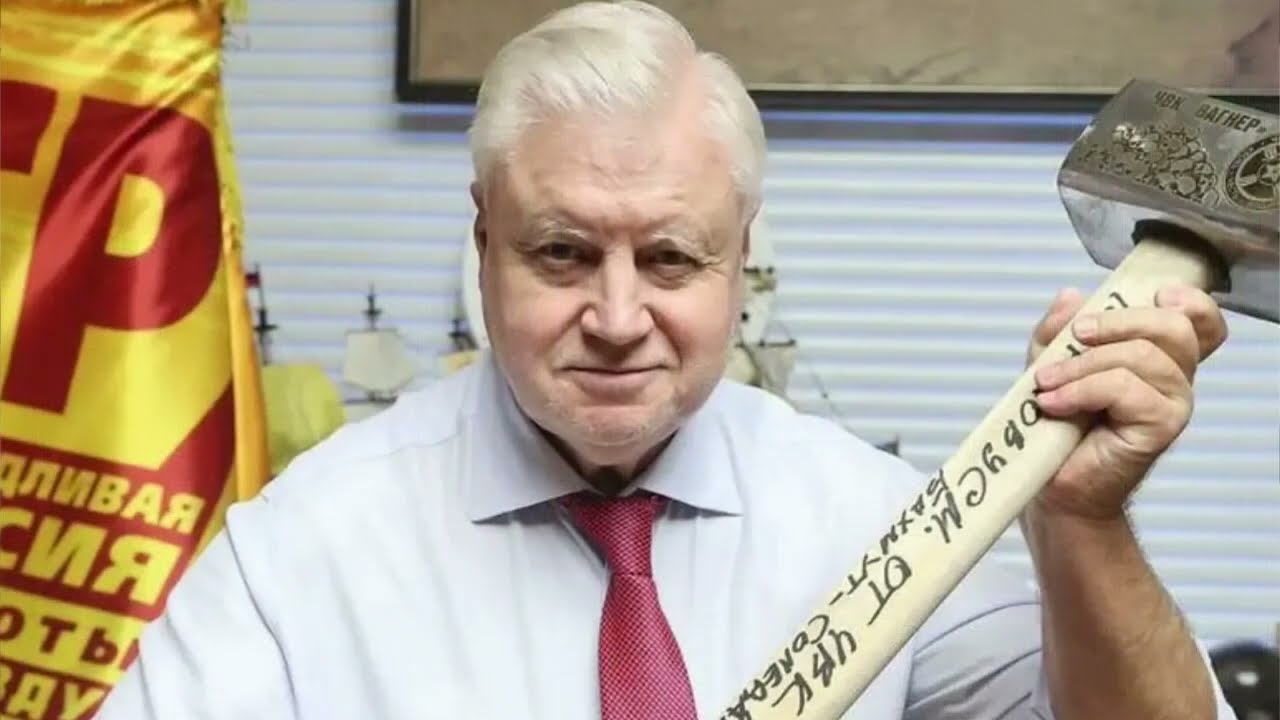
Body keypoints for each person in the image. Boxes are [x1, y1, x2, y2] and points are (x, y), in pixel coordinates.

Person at [98, 2, 1239, 718]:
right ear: (483, 242)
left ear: (741, 255)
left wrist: (1082, 524)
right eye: (560, 252)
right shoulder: (299, 556)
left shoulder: (883, 527)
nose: (615, 315)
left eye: (670, 258)